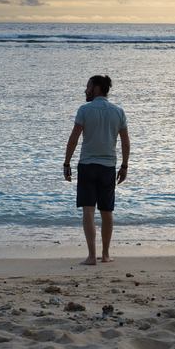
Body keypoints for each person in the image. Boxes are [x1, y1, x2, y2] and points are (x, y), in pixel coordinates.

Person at [63, 75, 130, 266]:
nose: (86, 90)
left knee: (88, 211)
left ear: (98, 88)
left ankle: (92, 256)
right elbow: (125, 142)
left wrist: (66, 163)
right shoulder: (118, 112)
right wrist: (124, 166)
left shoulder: (85, 110)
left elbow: (74, 138)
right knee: (107, 211)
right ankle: (106, 254)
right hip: (108, 167)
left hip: (87, 166)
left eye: (88, 87)